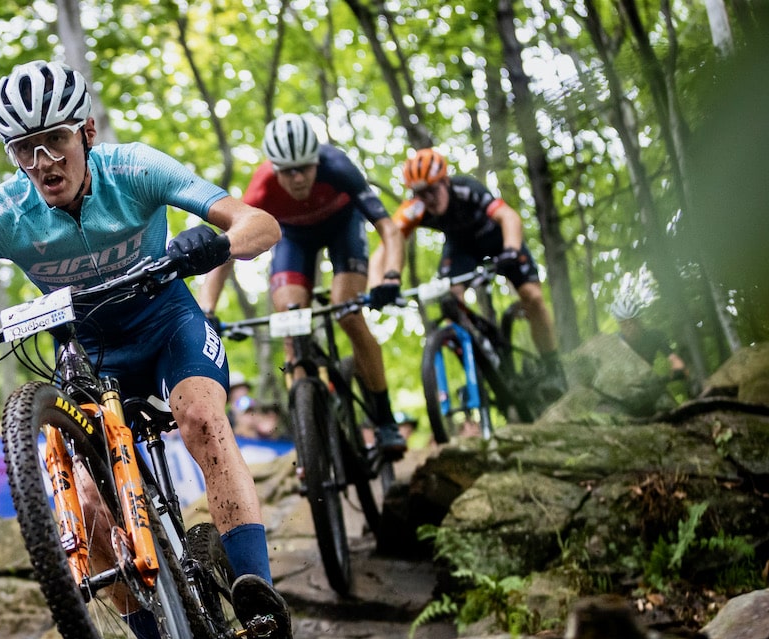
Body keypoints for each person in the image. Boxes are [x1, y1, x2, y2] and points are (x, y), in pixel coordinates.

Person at [0, 60, 293, 639]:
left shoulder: (137, 169)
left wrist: (218, 243)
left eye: (55, 141)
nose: (43, 161)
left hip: (167, 326)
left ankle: (260, 605)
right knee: (91, 509)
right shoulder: (1, 215)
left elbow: (261, 223)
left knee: (201, 418)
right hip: (89, 353)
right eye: (24, 149)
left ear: (88, 133)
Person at [198, 113, 409, 455]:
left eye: (304, 168)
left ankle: (385, 421)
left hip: (343, 229)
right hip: (294, 238)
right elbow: (229, 248)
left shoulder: (337, 167)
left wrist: (392, 276)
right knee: (289, 318)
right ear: (274, 167)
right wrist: (207, 307)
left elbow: (388, 227)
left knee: (348, 311)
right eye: (286, 170)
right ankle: (309, 442)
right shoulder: (263, 184)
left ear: (316, 161)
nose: (296, 178)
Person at [378, 148, 565, 392]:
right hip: (462, 248)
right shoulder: (416, 208)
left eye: (432, 190)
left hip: (498, 239)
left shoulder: (467, 189)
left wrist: (510, 250)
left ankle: (553, 368)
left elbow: (509, 217)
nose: (429, 200)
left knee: (533, 297)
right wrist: (380, 283)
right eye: (420, 194)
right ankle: (482, 362)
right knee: (449, 300)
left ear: (445, 181)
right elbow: (387, 243)